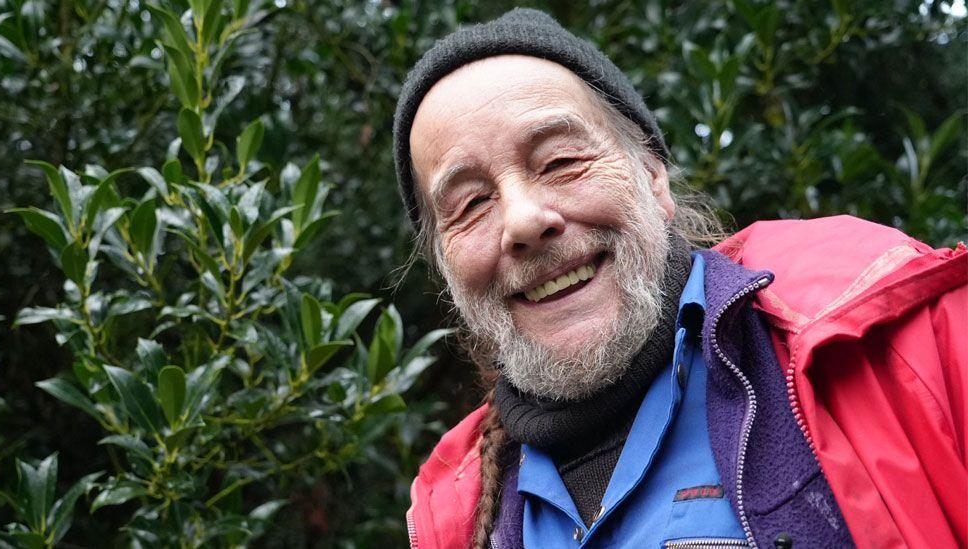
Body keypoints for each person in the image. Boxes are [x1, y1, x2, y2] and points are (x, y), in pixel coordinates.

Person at [391, 8, 966, 549]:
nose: (522, 221)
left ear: (653, 178)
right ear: (445, 265)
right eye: (469, 205)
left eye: (561, 162)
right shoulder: (456, 514)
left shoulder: (897, 332)